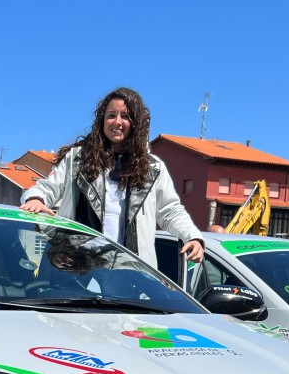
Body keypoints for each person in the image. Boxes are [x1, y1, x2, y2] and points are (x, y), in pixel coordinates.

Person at [19, 87, 204, 266]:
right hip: (78, 266)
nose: (117, 122)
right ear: (102, 120)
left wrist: (192, 236)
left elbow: (170, 210)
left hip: (132, 270)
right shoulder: (77, 159)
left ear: (136, 123)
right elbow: (47, 187)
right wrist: (36, 198)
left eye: (125, 116)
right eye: (111, 115)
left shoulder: (152, 167)